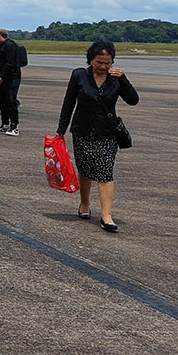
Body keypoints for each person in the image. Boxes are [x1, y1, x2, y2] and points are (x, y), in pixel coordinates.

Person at [56, 40, 139, 233]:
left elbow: (133, 100)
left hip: (107, 132)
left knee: (104, 171)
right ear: (90, 60)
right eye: (99, 62)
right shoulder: (79, 75)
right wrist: (61, 130)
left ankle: (106, 216)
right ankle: (84, 204)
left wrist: (124, 78)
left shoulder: (116, 79)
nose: (103, 66)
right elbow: (68, 103)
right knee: (85, 169)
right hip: (82, 130)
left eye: (107, 63)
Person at [0, 28, 22, 135]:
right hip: (0, 77)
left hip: (12, 76)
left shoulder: (10, 45)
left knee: (11, 100)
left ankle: (14, 126)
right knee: (2, 100)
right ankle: (5, 124)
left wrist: (0, 76)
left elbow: (9, 63)